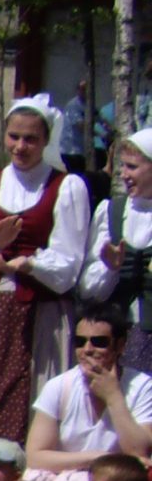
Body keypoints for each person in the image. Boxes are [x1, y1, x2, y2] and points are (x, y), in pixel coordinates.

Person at [0, 93, 89, 450]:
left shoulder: (66, 187)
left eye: (31, 139)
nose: (20, 146)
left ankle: (30, 469)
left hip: (41, 313)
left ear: (46, 140)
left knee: (36, 393)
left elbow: (69, 264)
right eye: (14, 136)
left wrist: (32, 264)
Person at [21, 307, 152, 481]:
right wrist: (98, 458)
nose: (87, 349)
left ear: (120, 345)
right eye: (80, 342)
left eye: (99, 342)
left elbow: (139, 452)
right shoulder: (59, 386)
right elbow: (36, 456)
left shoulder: (142, 386)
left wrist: (113, 397)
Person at [79, 126, 152, 371]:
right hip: (116, 333)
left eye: (132, 167)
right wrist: (110, 269)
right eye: (122, 166)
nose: (123, 174)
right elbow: (88, 289)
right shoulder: (111, 212)